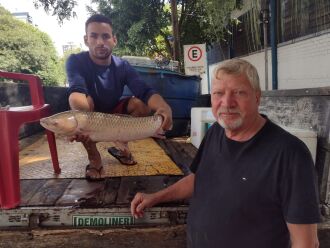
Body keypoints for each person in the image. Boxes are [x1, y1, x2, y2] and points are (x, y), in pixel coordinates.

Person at [131, 58, 321, 247]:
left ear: (257, 97)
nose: (227, 103)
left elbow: (306, 243)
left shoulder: (291, 155)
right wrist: (155, 197)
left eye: (239, 93)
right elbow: (199, 179)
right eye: (218, 93)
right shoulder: (216, 132)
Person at [66, 14, 172, 180]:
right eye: (94, 36)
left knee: (140, 104)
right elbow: (76, 91)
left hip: (114, 112)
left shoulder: (122, 65)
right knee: (81, 102)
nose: (100, 42)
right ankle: (94, 159)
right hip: (90, 111)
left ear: (114, 40)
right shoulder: (75, 61)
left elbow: (143, 90)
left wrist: (164, 108)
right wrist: (80, 124)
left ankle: (120, 145)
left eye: (106, 36)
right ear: (86, 40)